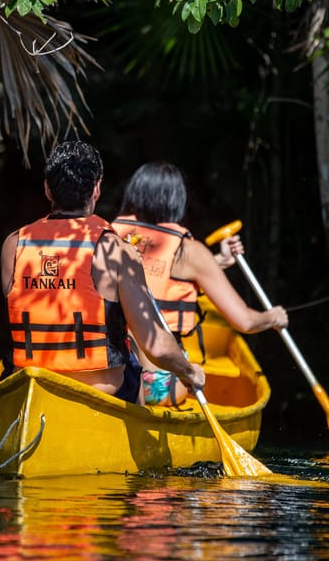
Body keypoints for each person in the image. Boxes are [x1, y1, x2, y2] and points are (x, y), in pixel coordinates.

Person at [0, 142, 205, 404]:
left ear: (48, 189)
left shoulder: (13, 244)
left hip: (30, 384)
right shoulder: (116, 250)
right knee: (132, 360)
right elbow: (157, 347)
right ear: (96, 189)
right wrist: (190, 372)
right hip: (101, 393)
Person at [112, 161, 288, 407]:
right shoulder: (189, 252)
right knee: (188, 370)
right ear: (177, 201)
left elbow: (149, 275)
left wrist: (217, 262)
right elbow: (245, 322)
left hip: (109, 373)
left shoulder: (110, 235)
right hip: (156, 384)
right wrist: (273, 317)